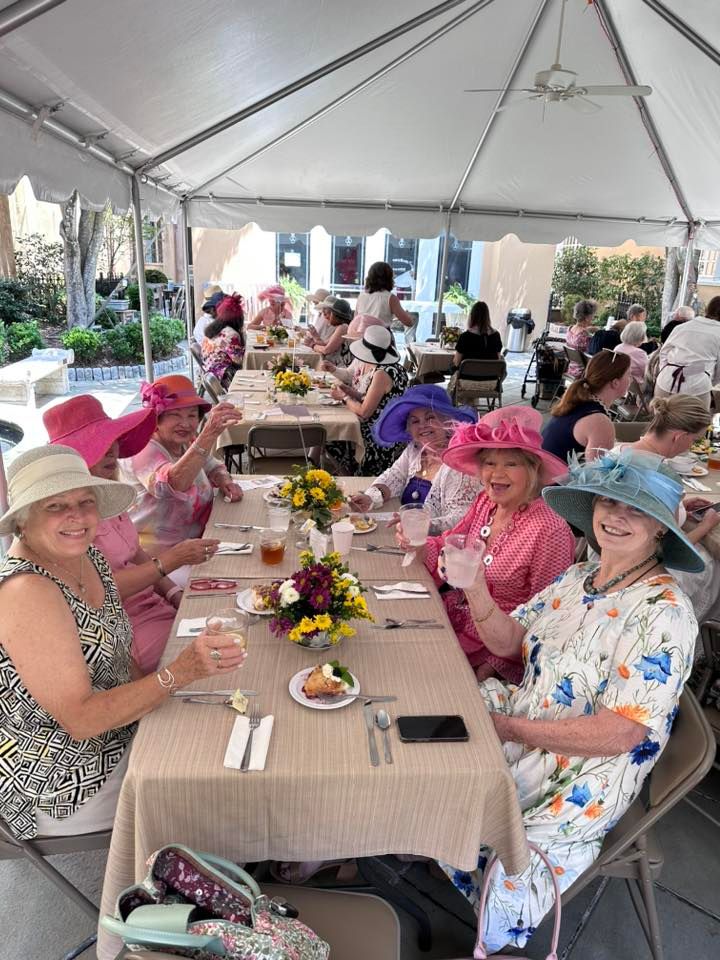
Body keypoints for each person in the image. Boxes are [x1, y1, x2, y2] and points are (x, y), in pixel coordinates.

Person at [440, 451, 701, 953]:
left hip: (585, 769)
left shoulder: (664, 613)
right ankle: (429, 839)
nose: (617, 516)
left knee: (459, 782)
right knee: (437, 739)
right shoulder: (580, 576)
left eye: (638, 510)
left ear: (662, 531)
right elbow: (509, 641)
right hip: (528, 718)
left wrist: (510, 730)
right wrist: (474, 588)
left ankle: (488, 927)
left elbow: (621, 732)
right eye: (609, 501)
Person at [0, 446, 247, 840]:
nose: (77, 516)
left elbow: (121, 654)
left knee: (221, 726)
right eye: (55, 506)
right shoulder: (26, 591)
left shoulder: (86, 559)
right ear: (23, 520)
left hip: (118, 728)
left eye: (85, 501)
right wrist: (177, 675)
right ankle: (209, 873)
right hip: (62, 777)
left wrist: (157, 701)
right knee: (214, 777)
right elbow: (81, 722)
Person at [43, 396, 221, 673]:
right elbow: (99, 591)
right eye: (97, 445)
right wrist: (168, 563)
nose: (112, 451)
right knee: (220, 652)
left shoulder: (106, 495)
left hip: (152, 603)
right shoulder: (67, 521)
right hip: (122, 627)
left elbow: (135, 551)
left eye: (113, 440)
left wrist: (172, 592)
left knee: (225, 619)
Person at [398, 407, 575, 682]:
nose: (496, 474)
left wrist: (495, 664)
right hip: (455, 622)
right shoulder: (486, 502)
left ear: (533, 469)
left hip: (498, 655)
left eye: (511, 464)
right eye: (489, 463)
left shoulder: (550, 531)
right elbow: (449, 541)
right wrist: (417, 545)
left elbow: (548, 619)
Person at [612, 395, 720, 623]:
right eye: (693, 440)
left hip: (612, 553)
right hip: (644, 568)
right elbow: (665, 549)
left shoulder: (619, 453)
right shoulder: (659, 476)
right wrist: (706, 525)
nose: (690, 447)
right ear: (679, 437)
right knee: (713, 564)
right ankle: (701, 635)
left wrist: (681, 508)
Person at [121, 376, 243, 567]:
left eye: (192, 415)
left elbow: (212, 464)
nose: (185, 424)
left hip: (200, 542)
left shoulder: (184, 441)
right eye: (175, 415)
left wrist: (225, 481)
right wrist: (208, 435)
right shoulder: (143, 449)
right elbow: (170, 485)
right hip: (162, 561)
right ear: (156, 419)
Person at [348, 385, 480, 533]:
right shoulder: (414, 450)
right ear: (409, 429)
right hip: (406, 534)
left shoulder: (458, 463)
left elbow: (461, 519)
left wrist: (418, 524)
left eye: (430, 418)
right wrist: (370, 498)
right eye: (415, 421)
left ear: (447, 422)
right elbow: (394, 477)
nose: (422, 425)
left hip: (438, 547)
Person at [325, 326, 409, 475]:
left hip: (378, 434)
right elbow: (378, 399)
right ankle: (346, 472)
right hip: (391, 427)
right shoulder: (397, 369)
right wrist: (351, 392)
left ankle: (350, 475)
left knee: (331, 435)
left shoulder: (381, 373)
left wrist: (344, 398)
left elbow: (365, 412)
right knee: (334, 429)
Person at [542, 350, 631, 463]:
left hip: (541, 472)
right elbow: (597, 475)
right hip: (555, 479)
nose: (631, 380)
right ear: (615, 383)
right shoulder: (599, 421)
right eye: (629, 375)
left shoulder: (579, 401)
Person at [655, 296, 720, 409]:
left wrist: (667, 370)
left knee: (661, 423)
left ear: (708, 309)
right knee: (697, 425)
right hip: (697, 385)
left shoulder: (683, 327)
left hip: (666, 381)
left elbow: (664, 352)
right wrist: (708, 381)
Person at [201, 293, 246, 387]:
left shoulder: (212, 329)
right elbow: (238, 360)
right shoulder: (230, 334)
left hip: (208, 371)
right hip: (223, 376)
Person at [354, 261, 415, 330]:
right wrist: (408, 315)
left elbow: (356, 320)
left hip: (362, 336)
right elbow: (408, 322)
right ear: (389, 278)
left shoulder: (361, 296)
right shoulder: (390, 298)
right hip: (381, 336)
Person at [307, 297, 352, 365]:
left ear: (335, 315)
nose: (325, 316)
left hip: (340, 366)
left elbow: (327, 350)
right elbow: (325, 343)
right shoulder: (340, 327)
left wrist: (312, 345)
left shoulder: (343, 327)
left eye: (330, 313)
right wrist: (314, 335)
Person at [565, 299, 598, 377]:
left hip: (570, 370)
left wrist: (588, 329)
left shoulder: (570, 329)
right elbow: (593, 354)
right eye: (593, 315)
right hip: (582, 374)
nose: (593, 318)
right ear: (587, 317)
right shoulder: (584, 335)